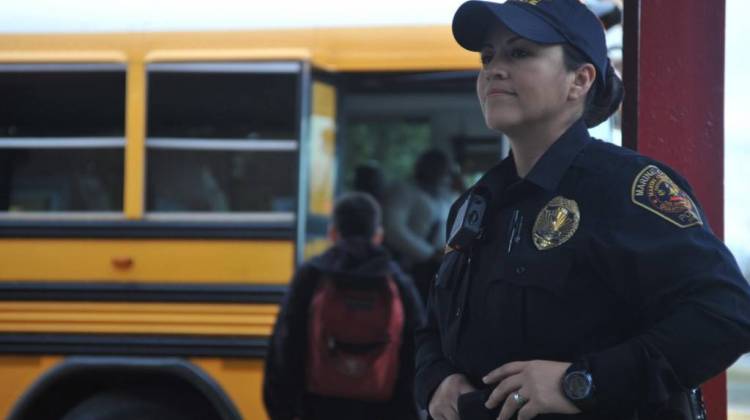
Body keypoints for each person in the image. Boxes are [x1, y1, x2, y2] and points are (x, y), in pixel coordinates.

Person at [415, 1, 750, 420]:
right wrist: (436, 381)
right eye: (488, 56)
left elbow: (725, 315)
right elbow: (431, 331)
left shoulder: (624, 187)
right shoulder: (474, 206)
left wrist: (581, 382)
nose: (494, 69)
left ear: (580, 79)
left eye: (519, 53)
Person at [263, 192, 425, 420]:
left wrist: (283, 410)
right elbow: (415, 352)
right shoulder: (397, 281)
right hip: (383, 410)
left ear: (332, 233)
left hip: (317, 408)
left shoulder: (311, 276)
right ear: (378, 235)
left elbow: (285, 345)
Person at [384, 149, 456, 301]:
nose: (444, 173)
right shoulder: (404, 191)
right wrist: (429, 253)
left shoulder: (444, 196)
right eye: (440, 167)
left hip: (439, 267)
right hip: (410, 267)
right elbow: (393, 229)